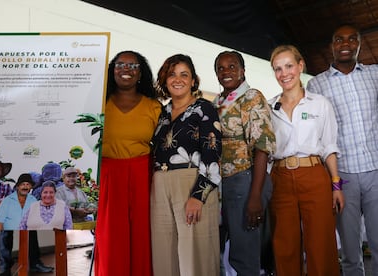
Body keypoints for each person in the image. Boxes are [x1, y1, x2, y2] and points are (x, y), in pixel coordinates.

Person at [307, 24, 378, 276]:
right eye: (339, 40)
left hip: (375, 172)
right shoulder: (316, 85)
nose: (345, 44)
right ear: (332, 46)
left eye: (351, 39)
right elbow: (316, 133)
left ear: (359, 43)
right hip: (342, 176)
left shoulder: (374, 74)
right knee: (349, 251)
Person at [269, 45, 345, 276]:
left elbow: (329, 146)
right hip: (280, 179)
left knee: (321, 243)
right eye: (278, 69)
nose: (285, 74)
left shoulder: (319, 103)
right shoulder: (269, 107)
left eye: (289, 66)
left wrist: (336, 185)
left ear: (300, 66)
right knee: (285, 245)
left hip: (314, 175)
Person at [151, 54, 222, 276]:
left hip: (191, 182)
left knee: (195, 254)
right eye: (172, 74)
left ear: (193, 81)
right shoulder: (161, 113)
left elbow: (212, 153)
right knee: (164, 252)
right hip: (160, 184)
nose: (178, 79)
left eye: (184, 74)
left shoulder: (204, 109)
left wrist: (198, 196)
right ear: (164, 79)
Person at [93, 50, 161, 276]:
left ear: (141, 73)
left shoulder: (154, 107)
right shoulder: (98, 104)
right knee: (111, 236)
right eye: (120, 64)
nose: (126, 70)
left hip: (143, 174)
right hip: (109, 174)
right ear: (112, 71)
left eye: (133, 66)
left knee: (142, 234)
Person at [213, 51, 276, 276]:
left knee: (245, 256)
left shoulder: (251, 97)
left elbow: (262, 146)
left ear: (243, 71)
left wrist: (255, 196)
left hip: (246, 179)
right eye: (220, 68)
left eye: (232, 66)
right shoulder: (218, 102)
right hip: (224, 184)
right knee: (224, 253)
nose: (226, 71)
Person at [0, 173, 53, 275]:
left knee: (32, 232)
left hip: (27, 227)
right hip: (9, 226)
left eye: (28, 184)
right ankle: (5, 268)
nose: (25, 187)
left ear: (31, 187)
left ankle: (35, 264)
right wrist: (1, 229)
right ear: (17, 186)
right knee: (5, 235)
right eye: (23, 184)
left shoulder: (33, 200)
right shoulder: (8, 200)